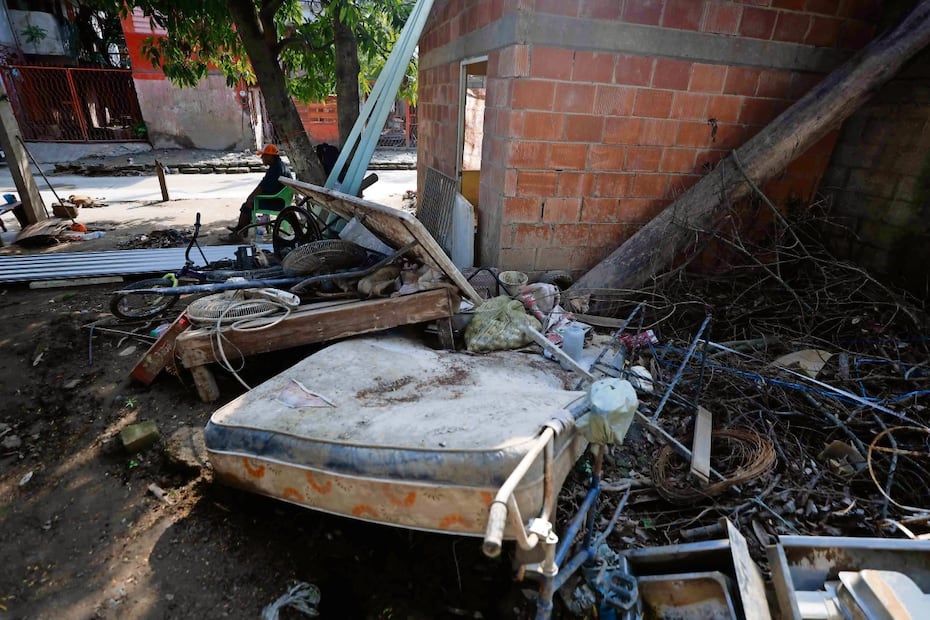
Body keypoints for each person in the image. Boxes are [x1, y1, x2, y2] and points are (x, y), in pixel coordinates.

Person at [223, 143, 291, 240]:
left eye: (263, 156)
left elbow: (262, 187)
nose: (262, 158)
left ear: (270, 157)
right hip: (280, 199)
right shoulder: (278, 166)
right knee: (249, 203)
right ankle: (240, 230)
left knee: (247, 205)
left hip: (277, 202)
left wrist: (250, 198)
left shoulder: (276, 169)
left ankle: (239, 233)